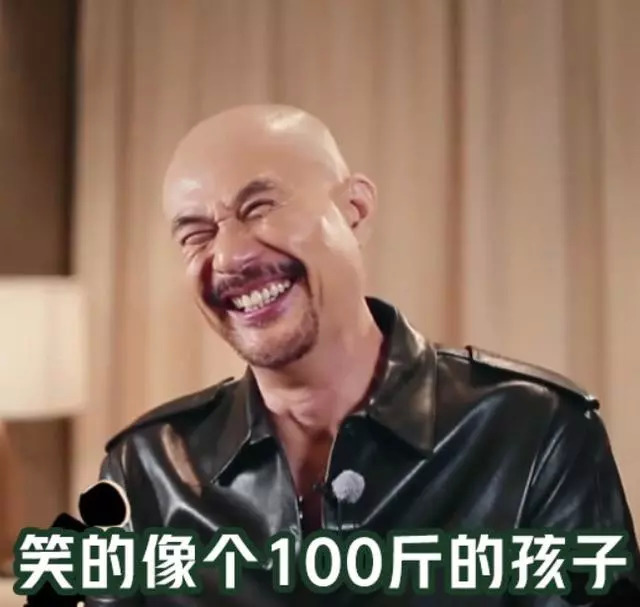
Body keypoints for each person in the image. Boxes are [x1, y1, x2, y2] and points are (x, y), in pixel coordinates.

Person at [89, 105, 639, 606]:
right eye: (196, 235)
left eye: (259, 208)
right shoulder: (146, 466)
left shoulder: (535, 431)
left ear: (355, 209)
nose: (229, 255)